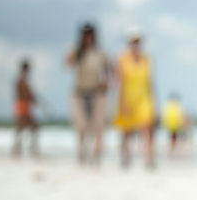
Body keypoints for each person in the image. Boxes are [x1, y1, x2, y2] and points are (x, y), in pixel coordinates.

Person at [66, 23, 111, 165]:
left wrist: (106, 82)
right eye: (85, 35)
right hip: (79, 92)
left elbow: (109, 69)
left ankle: (97, 156)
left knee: (98, 126)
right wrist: (79, 50)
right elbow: (68, 63)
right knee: (81, 125)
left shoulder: (100, 53)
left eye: (90, 34)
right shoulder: (77, 51)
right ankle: (82, 151)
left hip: (96, 92)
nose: (88, 37)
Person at [114, 29, 156, 168]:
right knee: (126, 130)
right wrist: (123, 102)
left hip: (144, 98)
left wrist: (153, 99)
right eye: (133, 42)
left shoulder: (146, 59)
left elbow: (150, 81)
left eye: (138, 42)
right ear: (129, 43)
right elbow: (119, 81)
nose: (136, 45)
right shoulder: (122, 59)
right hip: (127, 97)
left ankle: (149, 158)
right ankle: (125, 155)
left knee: (147, 128)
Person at [12, 58, 39, 157]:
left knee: (27, 127)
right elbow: (23, 94)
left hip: (23, 105)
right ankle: (21, 148)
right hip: (22, 105)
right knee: (25, 127)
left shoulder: (23, 81)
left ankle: (20, 148)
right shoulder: (21, 81)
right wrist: (31, 97)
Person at [161, 93, 188, 157]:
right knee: (177, 136)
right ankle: (175, 149)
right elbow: (181, 113)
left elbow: (164, 114)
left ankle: (172, 149)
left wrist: (164, 123)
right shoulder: (177, 104)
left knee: (172, 136)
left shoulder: (167, 104)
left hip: (170, 123)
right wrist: (183, 122)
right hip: (176, 122)